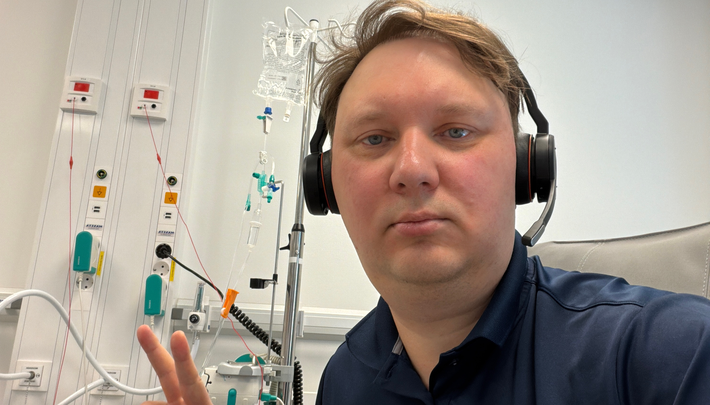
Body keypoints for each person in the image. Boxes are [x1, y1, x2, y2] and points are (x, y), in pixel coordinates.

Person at [137, 0, 710, 404]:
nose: (412, 170)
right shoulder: (346, 379)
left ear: (525, 168)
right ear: (327, 186)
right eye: (375, 139)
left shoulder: (671, 355)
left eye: (456, 131)